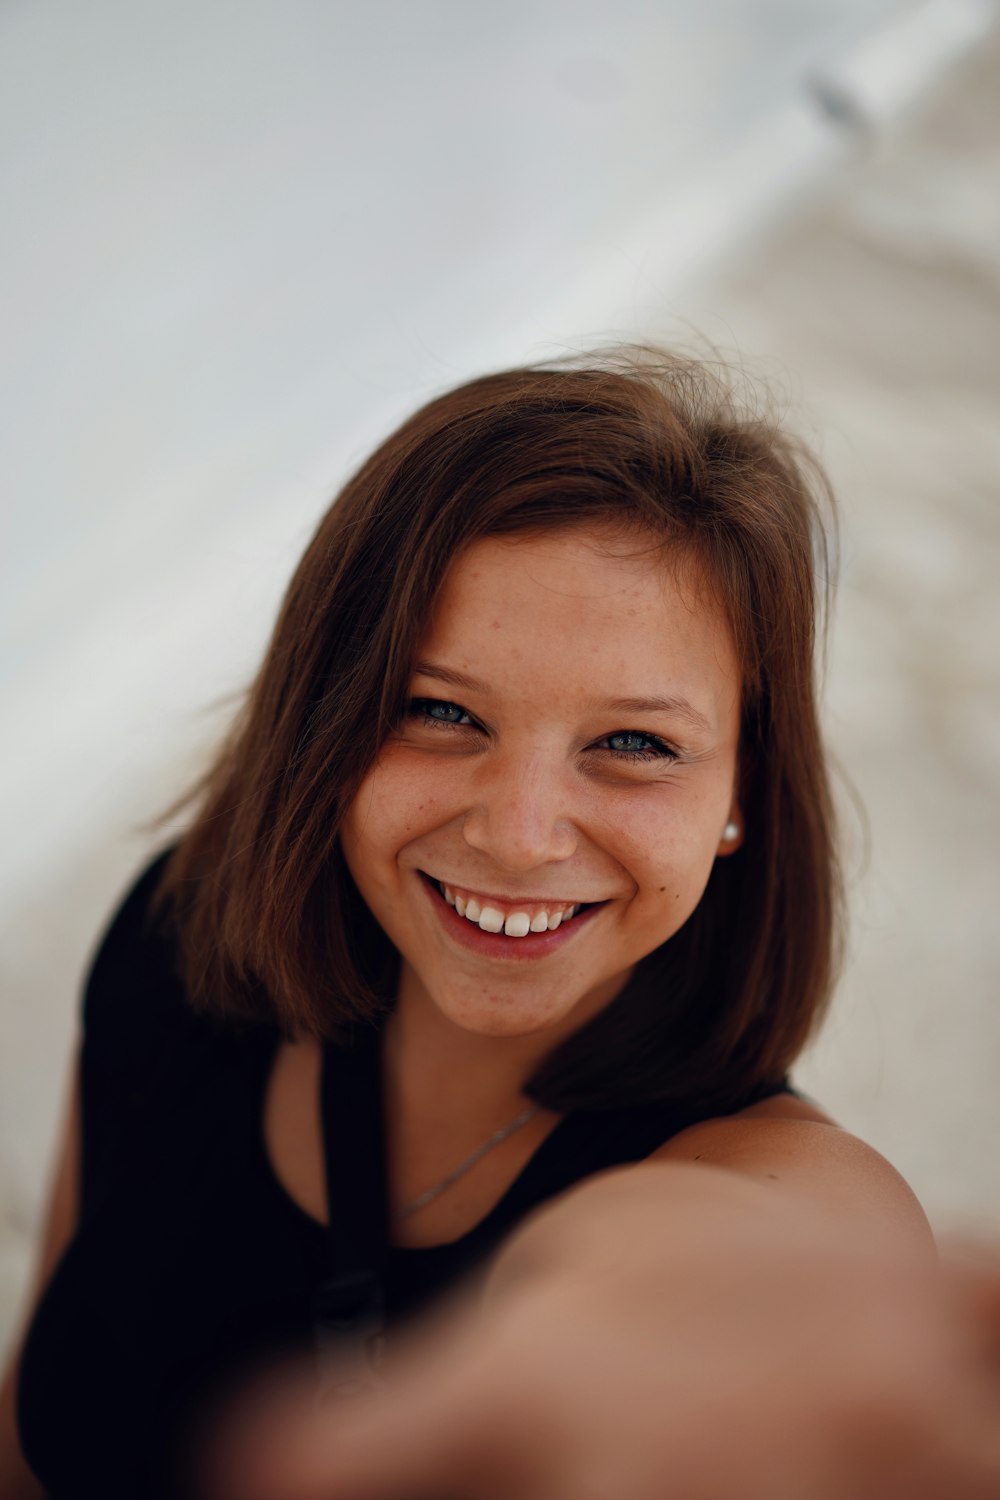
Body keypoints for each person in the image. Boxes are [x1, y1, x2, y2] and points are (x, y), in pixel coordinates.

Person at [1, 348, 997, 1500]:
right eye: (436, 711)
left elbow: (687, 1279)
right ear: (322, 724)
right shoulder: (186, 935)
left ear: (742, 800)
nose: (521, 836)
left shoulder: (782, 1198)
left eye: (634, 744)